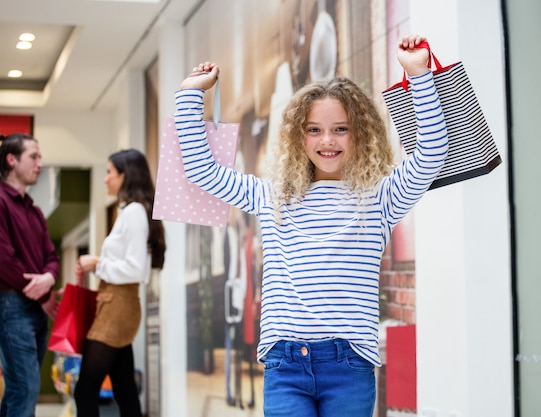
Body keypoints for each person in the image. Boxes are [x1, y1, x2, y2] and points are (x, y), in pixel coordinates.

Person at [175, 34, 449, 417]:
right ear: (297, 135)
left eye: (341, 128)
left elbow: (432, 155)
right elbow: (201, 171)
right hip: (285, 367)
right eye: (314, 129)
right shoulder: (272, 197)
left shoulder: (379, 198)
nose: (327, 140)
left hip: (349, 366)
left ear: (361, 134)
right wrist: (190, 93)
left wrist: (419, 74)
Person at [73, 149, 166, 417]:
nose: (106, 180)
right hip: (115, 303)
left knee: (86, 390)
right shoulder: (130, 211)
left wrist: (97, 264)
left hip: (117, 306)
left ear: (125, 176)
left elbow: (136, 269)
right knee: (124, 389)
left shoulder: (134, 212)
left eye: (109, 173)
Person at [0, 133, 60, 417]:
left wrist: (48, 278)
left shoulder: (34, 211)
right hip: (12, 307)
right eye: (33, 156)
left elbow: (52, 257)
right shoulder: (1, 201)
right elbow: (4, 261)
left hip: (32, 309)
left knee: (19, 392)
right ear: (12, 160)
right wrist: (44, 292)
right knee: (25, 390)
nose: (40, 163)